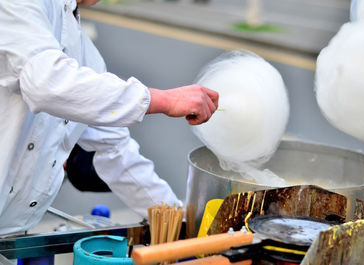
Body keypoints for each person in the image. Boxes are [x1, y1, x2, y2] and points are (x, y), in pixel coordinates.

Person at [0, 0, 219, 235]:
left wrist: (179, 224)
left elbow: (115, 151)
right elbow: (46, 82)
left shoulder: (81, 47)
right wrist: (164, 101)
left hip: (10, 232)